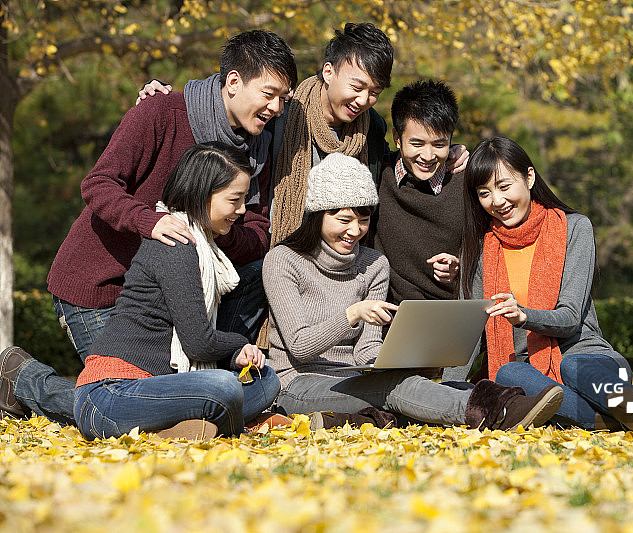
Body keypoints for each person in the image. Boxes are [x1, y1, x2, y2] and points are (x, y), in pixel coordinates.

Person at [0, 31, 296, 424]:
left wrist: (205, 233)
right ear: (234, 82)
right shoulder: (161, 112)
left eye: (283, 98)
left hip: (172, 287)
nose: (276, 107)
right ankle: (24, 379)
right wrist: (152, 221)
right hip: (100, 286)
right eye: (269, 94)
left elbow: (259, 228)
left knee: (166, 394)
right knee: (120, 394)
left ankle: (213, 391)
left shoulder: (255, 144)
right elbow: (98, 184)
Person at [262, 152, 564, 431]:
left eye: (364, 220)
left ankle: (354, 420)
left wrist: (402, 355)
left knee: (408, 385)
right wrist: (352, 314)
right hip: (297, 384)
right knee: (395, 389)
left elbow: (366, 350)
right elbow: (300, 346)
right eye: (344, 220)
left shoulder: (374, 263)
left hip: (355, 379)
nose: (354, 231)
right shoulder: (283, 261)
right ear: (318, 215)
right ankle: (497, 411)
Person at [4, 143, 281, 439]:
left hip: (156, 388)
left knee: (267, 381)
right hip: (111, 391)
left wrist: (240, 355)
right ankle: (204, 424)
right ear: (202, 195)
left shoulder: (206, 250)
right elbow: (199, 344)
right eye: (234, 200)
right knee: (223, 387)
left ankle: (184, 426)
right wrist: (240, 342)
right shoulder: (178, 245)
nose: (241, 211)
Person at [138, 22, 469, 249]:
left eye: (374, 92)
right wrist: (164, 95)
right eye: (357, 86)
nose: (363, 100)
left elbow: (393, 166)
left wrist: (443, 153)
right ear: (328, 71)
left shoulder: (372, 129)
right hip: (264, 250)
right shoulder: (282, 111)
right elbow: (230, 100)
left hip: (339, 260)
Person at [443, 137, 633, 441]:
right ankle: (605, 419)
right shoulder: (480, 248)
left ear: (529, 178)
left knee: (573, 365)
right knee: (506, 374)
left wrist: (523, 316)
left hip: (589, 361)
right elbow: (471, 329)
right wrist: (447, 389)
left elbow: (570, 318)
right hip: (531, 374)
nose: (497, 201)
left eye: (504, 187)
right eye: (484, 193)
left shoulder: (574, 228)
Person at [372, 80, 463, 303]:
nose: (428, 156)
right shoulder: (377, 175)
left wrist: (462, 267)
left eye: (439, 145)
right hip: (391, 316)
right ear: (397, 138)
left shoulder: (466, 183)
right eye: (417, 143)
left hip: (453, 312)